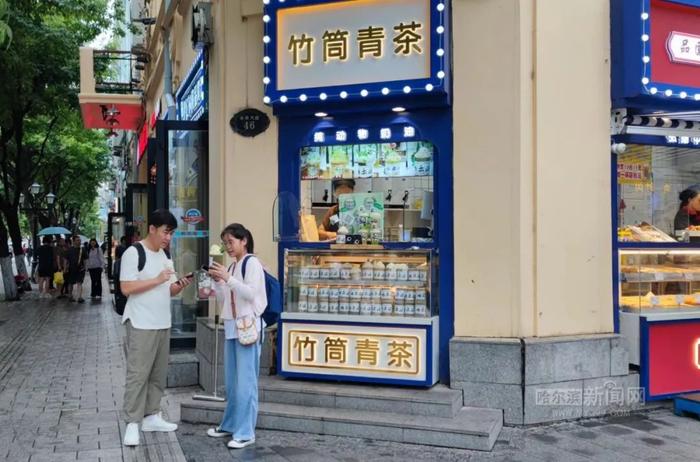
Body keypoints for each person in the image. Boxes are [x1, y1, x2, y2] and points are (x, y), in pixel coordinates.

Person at [120, 209, 193, 447]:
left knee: (158, 375)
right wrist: (158, 279)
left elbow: (169, 289)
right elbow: (126, 288)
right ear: (152, 229)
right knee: (138, 375)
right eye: (165, 232)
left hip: (163, 322)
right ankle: (132, 423)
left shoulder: (165, 255)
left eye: (171, 233)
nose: (168, 237)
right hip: (141, 322)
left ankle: (152, 416)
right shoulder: (134, 252)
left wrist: (179, 285)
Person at [205, 223, 267, 450]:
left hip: (248, 328)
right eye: (225, 243)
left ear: (244, 241)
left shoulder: (252, 263)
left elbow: (250, 293)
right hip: (233, 328)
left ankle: (245, 432)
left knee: (246, 383)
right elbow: (225, 300)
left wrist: (227, 279)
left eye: (231, 242)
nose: (228, 247)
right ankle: (231, 425)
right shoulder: (232, 267)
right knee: (232, 383)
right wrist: (218, 281)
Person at [65, 236, 88, 302]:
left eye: (79, 240)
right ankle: (70, 295)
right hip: (71, 269)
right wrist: (65, 268)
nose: (79, 241)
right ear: (73, 241)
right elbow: (66, 260)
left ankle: (79, 297)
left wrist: (85, 267)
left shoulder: (82, 250)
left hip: (80, 269)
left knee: (79, 283)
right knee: (70, 283)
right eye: (77, 240)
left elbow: (85, 260)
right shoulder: (69, 250)